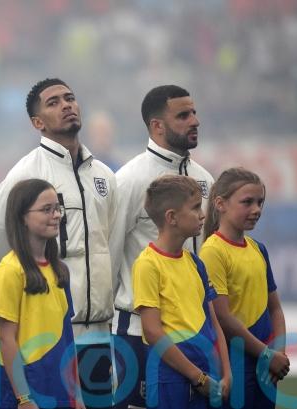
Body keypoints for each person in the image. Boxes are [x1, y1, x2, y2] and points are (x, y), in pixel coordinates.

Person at [0, 78, 116, 405]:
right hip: (48, 340)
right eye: (53, 102)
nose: (66, 105)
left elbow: (110, 243)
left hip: (100, 333)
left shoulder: (104, 175)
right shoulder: (24, 175)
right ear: (37, 122)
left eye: (70, 98)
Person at [109, 85, 214, 408]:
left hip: (195, 327)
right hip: (139, 330)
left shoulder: (205, 180)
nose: (194, 120)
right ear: (157, 126)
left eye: (194, 112)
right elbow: (109, 256)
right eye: (183, 115)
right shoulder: (129, 180)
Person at [133, 175, 231, 409]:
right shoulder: (148, 264)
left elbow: (214, 323)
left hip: (207, 374)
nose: (203, 215)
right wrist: (197, 377)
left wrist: (227, 373)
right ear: (172, 217)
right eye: (195, 207)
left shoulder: (196, 263)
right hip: (170, 378)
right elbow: (152, 331)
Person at [199, 167, 289, 409]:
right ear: (220, 204)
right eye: (247, 202)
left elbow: (275, 309)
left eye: (260, 202)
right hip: (236, 362)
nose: (257, 209)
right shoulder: (213, 251)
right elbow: (223, 317)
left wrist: (278, 354)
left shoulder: (258, 248)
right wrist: (266, 354)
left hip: (266, 365)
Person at [0, 179, 85, 409]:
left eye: (57, 208)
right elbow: (6, 339)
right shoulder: (9, 271)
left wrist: (77, 395)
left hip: (60, 391)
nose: (56, 215)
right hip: (27, 393)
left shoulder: (60, 270)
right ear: (22, 217)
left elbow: (67, 338)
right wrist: (24, 398)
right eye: (46, 209)